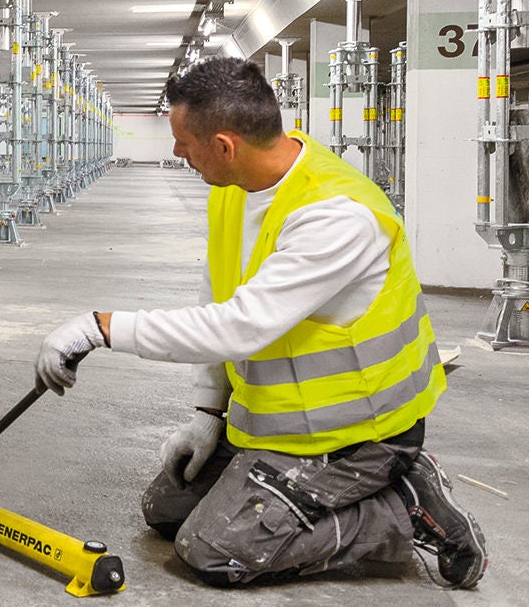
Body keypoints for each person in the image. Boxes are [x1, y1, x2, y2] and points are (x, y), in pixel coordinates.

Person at [33, 56, 486, 589]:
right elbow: (216, 295)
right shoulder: (235, 188)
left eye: (183, 142)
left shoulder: (336, 215)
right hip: (280, 424)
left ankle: (401, 508)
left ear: (225, 145)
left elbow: (240, 326)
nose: (176, 152)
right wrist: (207, 413)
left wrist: (101, 328)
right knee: (165, 509)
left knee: (212, 552)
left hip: (359, 435)